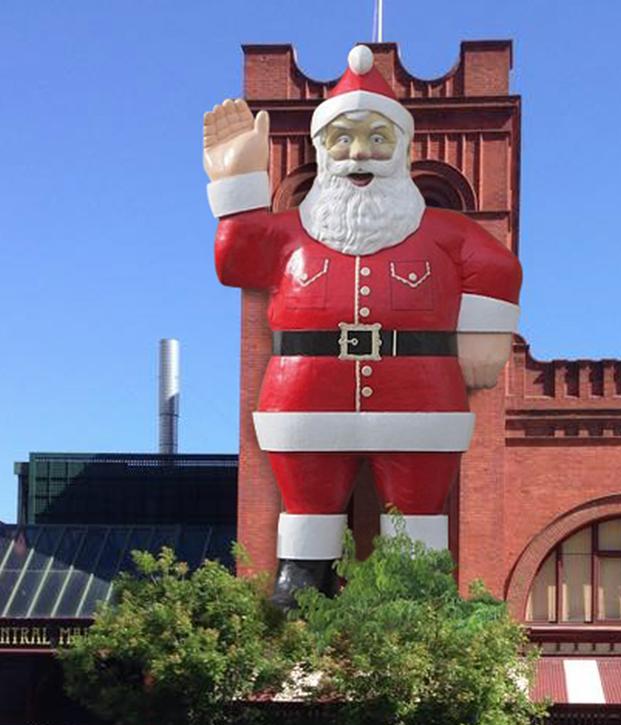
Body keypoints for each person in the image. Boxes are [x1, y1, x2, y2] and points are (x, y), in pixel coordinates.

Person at [204, 44, 522, 609]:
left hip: (419, 393)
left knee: (417, 503)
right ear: (322, 150)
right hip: (305, 390)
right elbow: (237, 262)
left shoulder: (442, 231)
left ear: (400, 149)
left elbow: (497, 266)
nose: (359, 154)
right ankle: (302, 576)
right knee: (306, 495)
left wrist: (482, 332)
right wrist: (238, 186)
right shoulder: (290, 232)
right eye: (343, 140)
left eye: (377, 139)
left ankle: (414, 589)